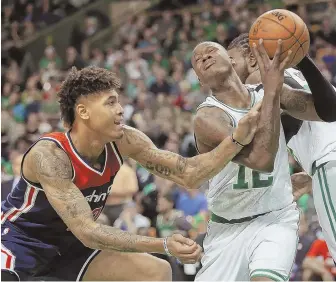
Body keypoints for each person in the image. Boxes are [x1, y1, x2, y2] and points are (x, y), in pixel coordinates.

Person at [1, 66, 260, 281]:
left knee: (156, 271)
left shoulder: (124, 140)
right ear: (83, 112)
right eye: (110, 103)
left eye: (119, 101)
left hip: (69, 247)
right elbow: (88, 231)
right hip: (19, 244)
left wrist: (236, 140)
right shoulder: (51, 155)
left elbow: (189, 173)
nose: (121, 109)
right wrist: (163, 244)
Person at [192, 39, 299, 281]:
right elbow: (261, 160)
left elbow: (327, 110)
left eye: (211, 52)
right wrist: (272, 91)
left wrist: (303, 56)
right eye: (198, 60)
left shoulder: (269, 92)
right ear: (199, 80)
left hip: (275, 218)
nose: (205, 58)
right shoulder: (207, 117)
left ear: (230, 60)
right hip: (226, 228)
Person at [228, 33, 336, 260]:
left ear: (251, 57)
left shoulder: (257, 81)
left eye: (232, 61)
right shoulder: (293, 72)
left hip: (329, 159)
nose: (229, 69)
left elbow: (298, 122)